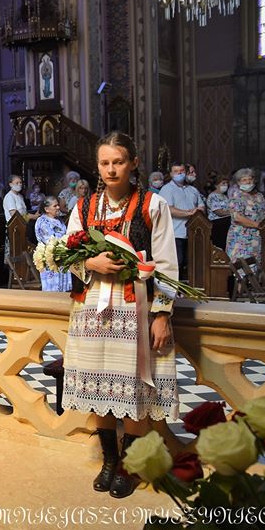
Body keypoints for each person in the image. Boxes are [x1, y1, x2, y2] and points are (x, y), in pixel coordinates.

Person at [62, 131, 178, 499]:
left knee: (134, 386)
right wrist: (89, 262)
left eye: (118, 162)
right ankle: (109, 460)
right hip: (91, 309)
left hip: (134, 307)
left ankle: (130, 465)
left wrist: (162, 314)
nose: (111, 169)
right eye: (104, 163)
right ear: (97, 167)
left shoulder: (153, 205)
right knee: (98, 382)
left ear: (133, 163)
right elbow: (66, 253)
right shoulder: (83, 208)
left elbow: (166, 263)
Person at [159, 162, 205, 281]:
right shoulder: (167, 189)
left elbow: (201, 206)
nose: (179, 174)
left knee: (192, 263)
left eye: (182, 171)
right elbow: (169, 209)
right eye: (176, 171)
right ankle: (176, 288)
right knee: (177, 263)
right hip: (176, 233)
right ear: (171, 174)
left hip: (194, 233)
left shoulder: (192, 189)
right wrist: (189, 213)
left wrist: (199, 210)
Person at [226, 168, 265, 261]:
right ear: (238, 182)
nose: (248, 182)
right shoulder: (237, 196)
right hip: (242, 236)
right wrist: (259, 225)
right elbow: (237, 217)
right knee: (244, 265)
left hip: (258, 235)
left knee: (257, 263)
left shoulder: (259, 195)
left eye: (250, 179)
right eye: (244, 180)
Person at [34, 196, 71, 292]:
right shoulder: (42, 221)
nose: (58, 207)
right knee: (53, 291)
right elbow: (50, 240)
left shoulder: (59, 219)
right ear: (47, 209)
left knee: (65, 291)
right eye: (55, 206)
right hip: (51, 259)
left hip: (63, 256)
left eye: (58, 205)